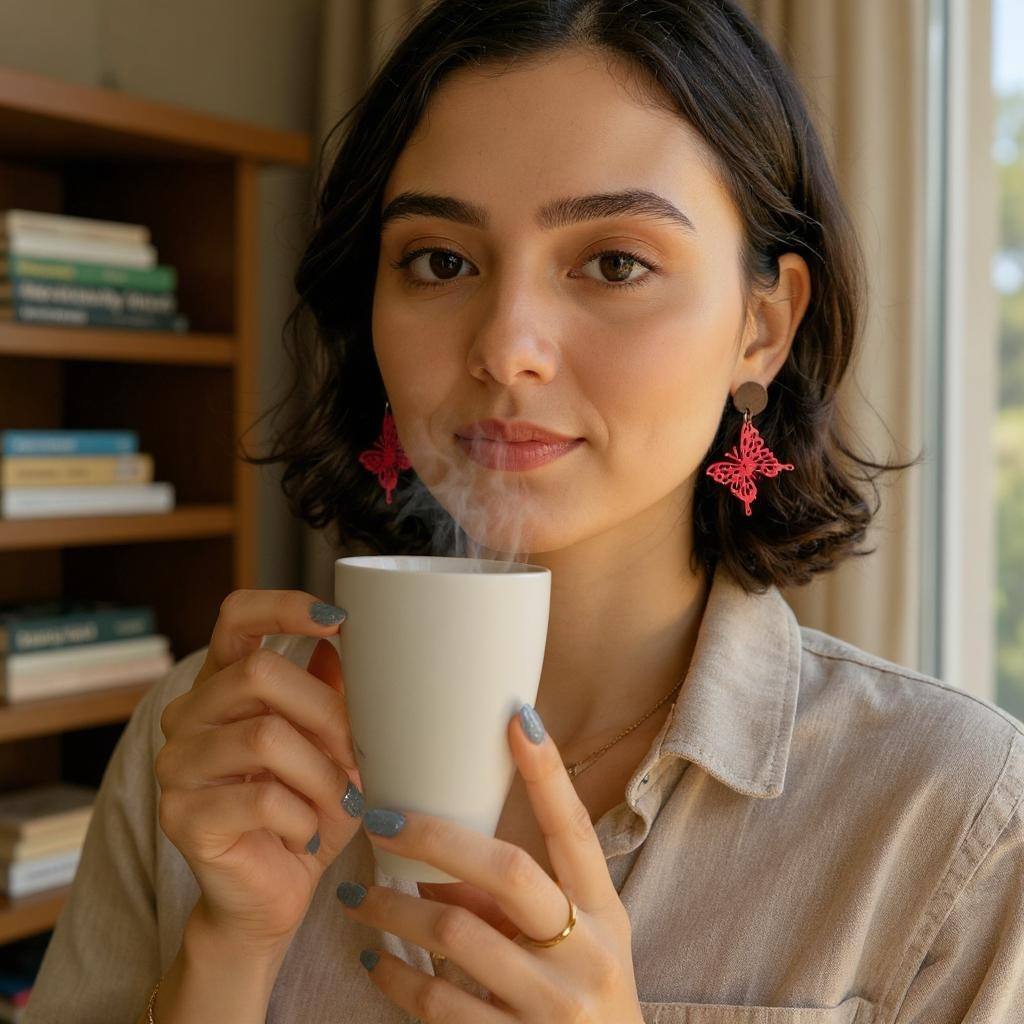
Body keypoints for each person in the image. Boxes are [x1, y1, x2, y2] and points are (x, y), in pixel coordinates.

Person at [22, 1, 1024, 1021]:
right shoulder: (199, 744)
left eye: (614, 263)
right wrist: (223, 960)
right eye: (441, 261)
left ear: (761, 327)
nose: (507, 347)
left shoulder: (954, 813)